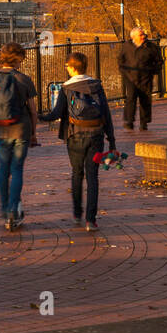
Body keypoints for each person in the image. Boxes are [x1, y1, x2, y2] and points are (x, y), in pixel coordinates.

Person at [40, 52, 117, 231]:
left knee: (77, 173)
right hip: (96, 135)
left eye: (67, 65)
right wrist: (111, 139)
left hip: (74, 136)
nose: (66, 68)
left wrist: (39, 117)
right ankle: (91, 220)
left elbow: (56, 114)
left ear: (73, 67)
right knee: (93, 177)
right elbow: (106, 113)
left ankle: (76, 212)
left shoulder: (66, 88)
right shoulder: (96, 85)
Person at [0, 42, 38, 231]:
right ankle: (13, 210)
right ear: (19, 59)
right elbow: (32, 110)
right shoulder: (23, 79)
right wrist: (34, 134)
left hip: (0, 130)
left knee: (3, 170)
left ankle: (5, 208)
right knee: (17, 170)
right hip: (20, 129)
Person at [117, 26, 161, 130]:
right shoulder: (127, 46)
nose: (143, 36)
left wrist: (153, 71)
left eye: (143, 34)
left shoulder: (151, 47)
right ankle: (129, 121)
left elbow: (159, 61)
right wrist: (124, 72)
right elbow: (120, 60)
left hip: (146, 78)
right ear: (134, 37)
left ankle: (144, 122)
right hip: (130, 77)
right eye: (141, 35)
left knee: (145, 99)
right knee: (131, 98)